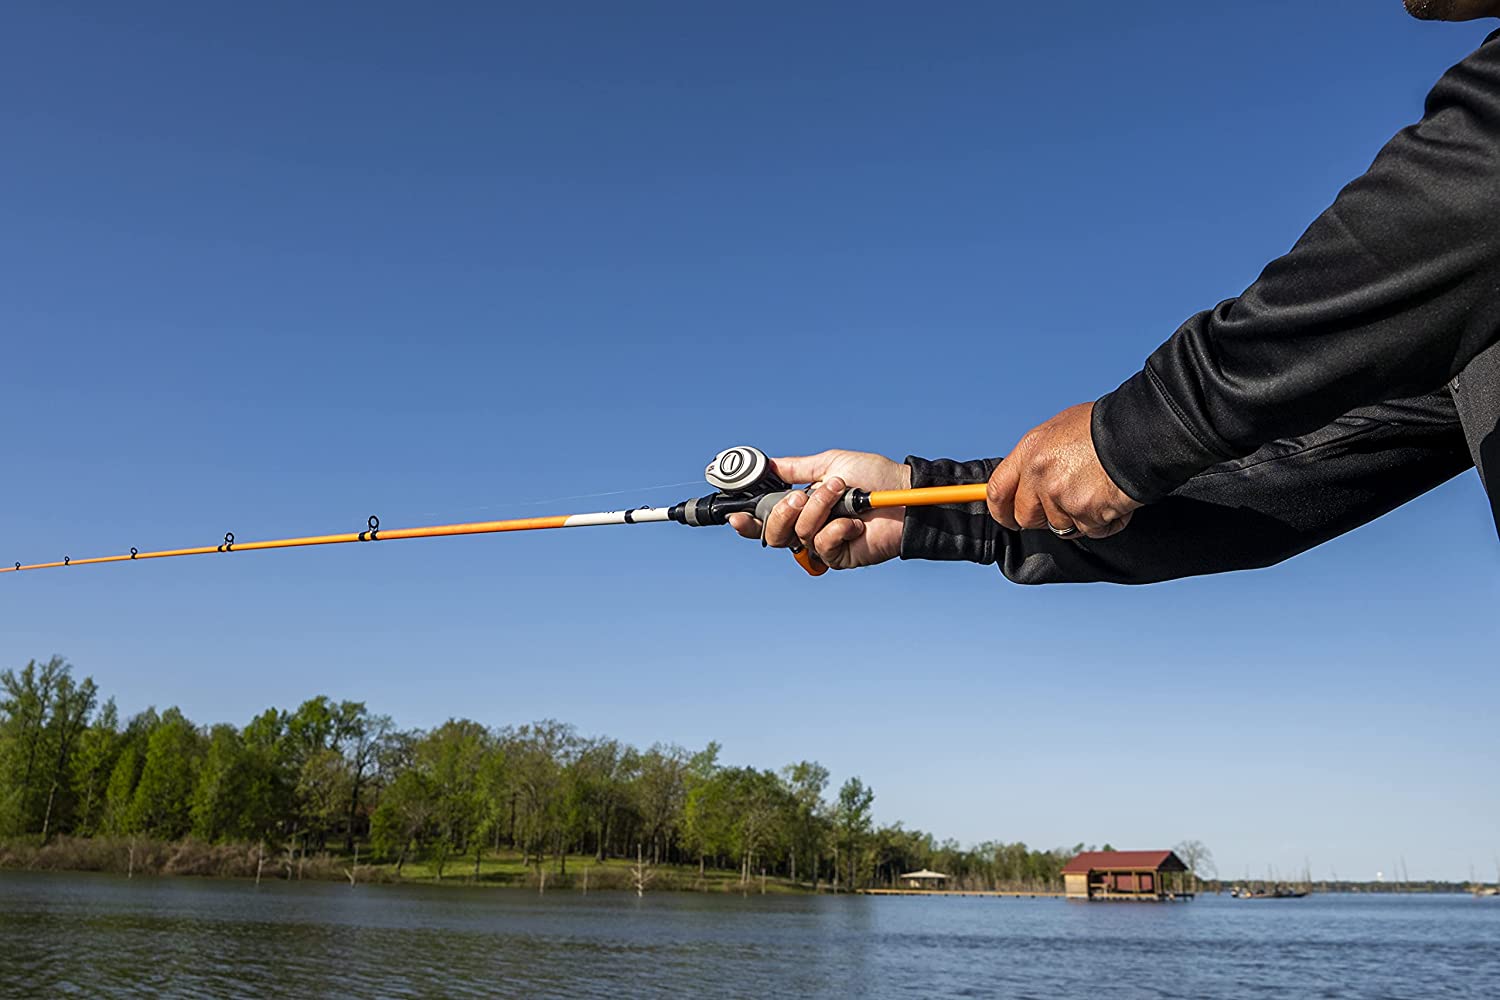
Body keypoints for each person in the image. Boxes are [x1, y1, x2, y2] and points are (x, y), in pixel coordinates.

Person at [730, 4, 1500, 584]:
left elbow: (1459, 207)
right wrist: (920, 507)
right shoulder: (1466, 325)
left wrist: (1128, 435)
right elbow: (1279, 476)